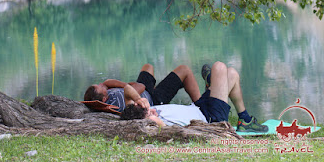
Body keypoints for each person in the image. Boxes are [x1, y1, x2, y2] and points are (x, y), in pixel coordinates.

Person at [120, 61, 268, 133]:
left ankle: (244, 120)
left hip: (198, 107)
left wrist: (138, 100)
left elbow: (127, 89)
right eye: (149, 113)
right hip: (211, 119)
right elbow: (155, 124)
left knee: (232, 75)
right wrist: (149, 116)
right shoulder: (150, 122)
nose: (153, 111)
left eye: (149, 110)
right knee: (219, 67)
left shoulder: (139, 111)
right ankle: (212, 82)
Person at [83, 63, 201, 112]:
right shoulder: (117, 100)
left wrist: (107, 85)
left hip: (143, 92)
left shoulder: (107, 98)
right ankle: (201, 106)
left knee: (148, 67)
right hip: (153, 99)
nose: (101, 84)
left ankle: (159, 88)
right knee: (184, 70)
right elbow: (141, 86)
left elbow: (108, 84)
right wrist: (127, 86)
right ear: (104, 99)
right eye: (100, 87)